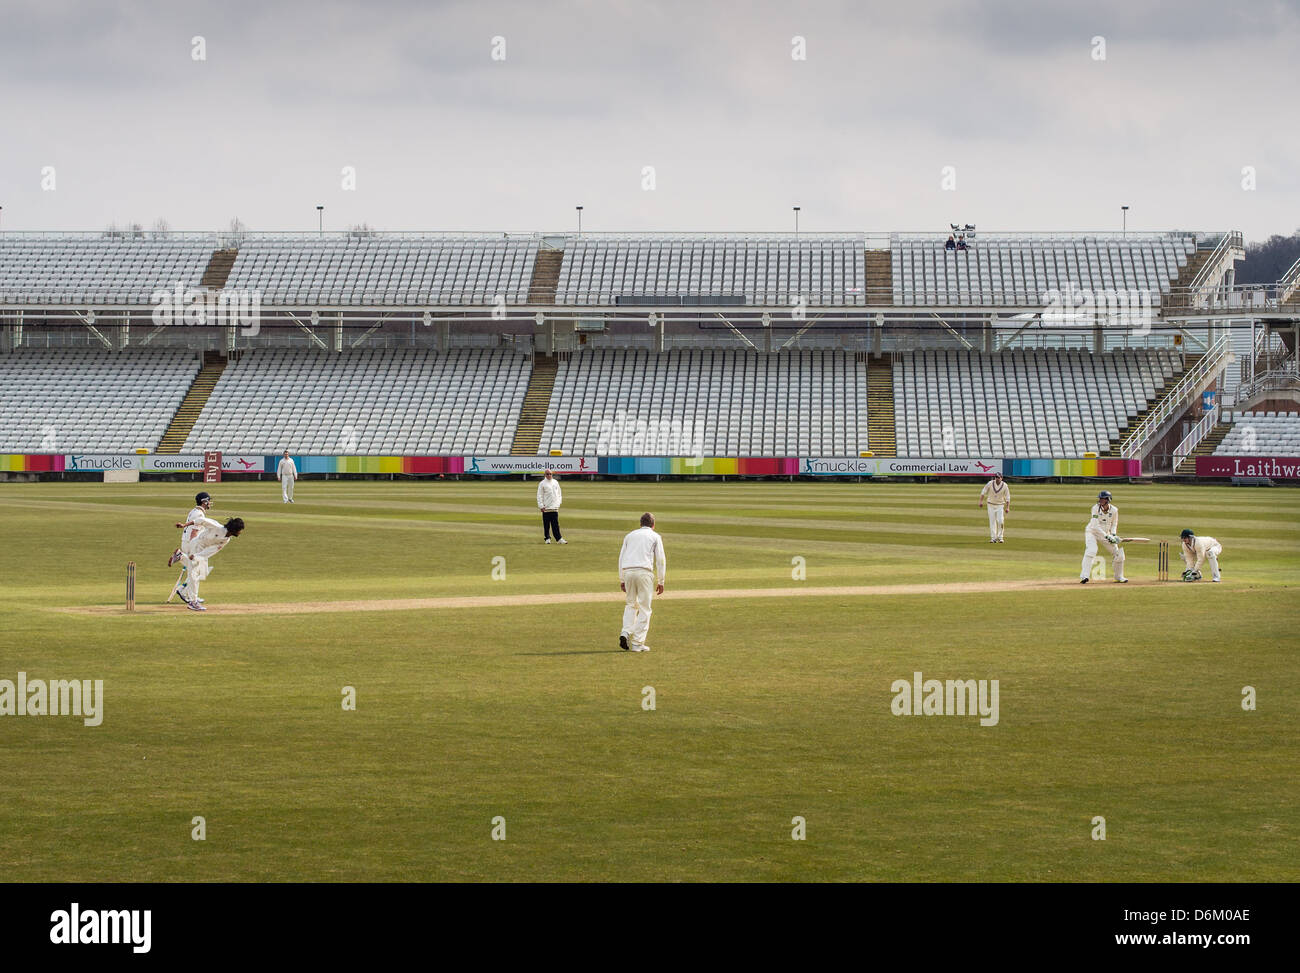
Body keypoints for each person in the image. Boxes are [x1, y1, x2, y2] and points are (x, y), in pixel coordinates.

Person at [172, 516, 245, 611]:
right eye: (240, 530)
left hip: (201, 551)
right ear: (234, 530)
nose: (240, 532)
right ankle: (193, 602)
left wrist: (197, 556)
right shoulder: (217, 527)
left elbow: (212, 550)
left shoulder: (226, 540)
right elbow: (201, 520)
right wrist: (184, 525)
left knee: (202, 573)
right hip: (197, 544)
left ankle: (181, 556)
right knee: (194, 574)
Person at [618, 512, 666, 653]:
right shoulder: (655, 536)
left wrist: (622, 579)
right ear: (653, 525)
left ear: (640, 524)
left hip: (628, 571)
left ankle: (625, 632)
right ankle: (638, 643)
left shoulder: (630, 536)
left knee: (631, 605)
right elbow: (661, 560)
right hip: (644, 572)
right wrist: (661, 581)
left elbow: (621, 558)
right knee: (645, 608)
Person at [168, 491, 213, 604]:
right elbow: (194, 532)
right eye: (208, 501)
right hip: (192, 543)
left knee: (200, 571)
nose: (210, 503)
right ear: (204, 502)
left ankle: (185, 591)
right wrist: (194, 549)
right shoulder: (199, 514)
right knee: (199, 571)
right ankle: (181, 557)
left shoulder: (194, 511)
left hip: (187, 541)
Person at [1079, 490, 1127, 583]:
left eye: (1102, 498)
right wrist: (1108, 536)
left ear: (1108, 500)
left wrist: (1113, 534)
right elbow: (1095, 526)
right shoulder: (1095, 508)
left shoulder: (1114, 510)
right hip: (1092, 532)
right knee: (1091, 550)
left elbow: (1114, 523)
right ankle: (1084, 576)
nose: (1100, 500)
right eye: (1100, 498)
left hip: (1106, 534)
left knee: (1118, 553)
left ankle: (1119, 577)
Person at [978, 472, 1011, 543]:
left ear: (1001, 478)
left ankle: (1000, 537)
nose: (997, 479)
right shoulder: (990, 483)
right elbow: (983, 492)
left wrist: (1007, 507)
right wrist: (980, 501)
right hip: (990, 505)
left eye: (998, 477)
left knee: (1000, 521)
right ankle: (993, 538)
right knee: (992, 521)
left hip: (1000, 505)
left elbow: (1008, 497)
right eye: (996, 477)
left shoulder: (1005, 485)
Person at [537, 469, 565, 544]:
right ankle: (547, 538)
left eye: (550, 474)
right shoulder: (542, 484)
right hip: (546, 507)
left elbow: (559, 494)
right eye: (547, 474)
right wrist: (541, 506)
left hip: (554, 507)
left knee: (555, 524)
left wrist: (558, 503)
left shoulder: (555, 482)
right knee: (546, 524)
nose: (549, 475)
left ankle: (559, 539)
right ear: (545, 475)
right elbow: (539, 496)